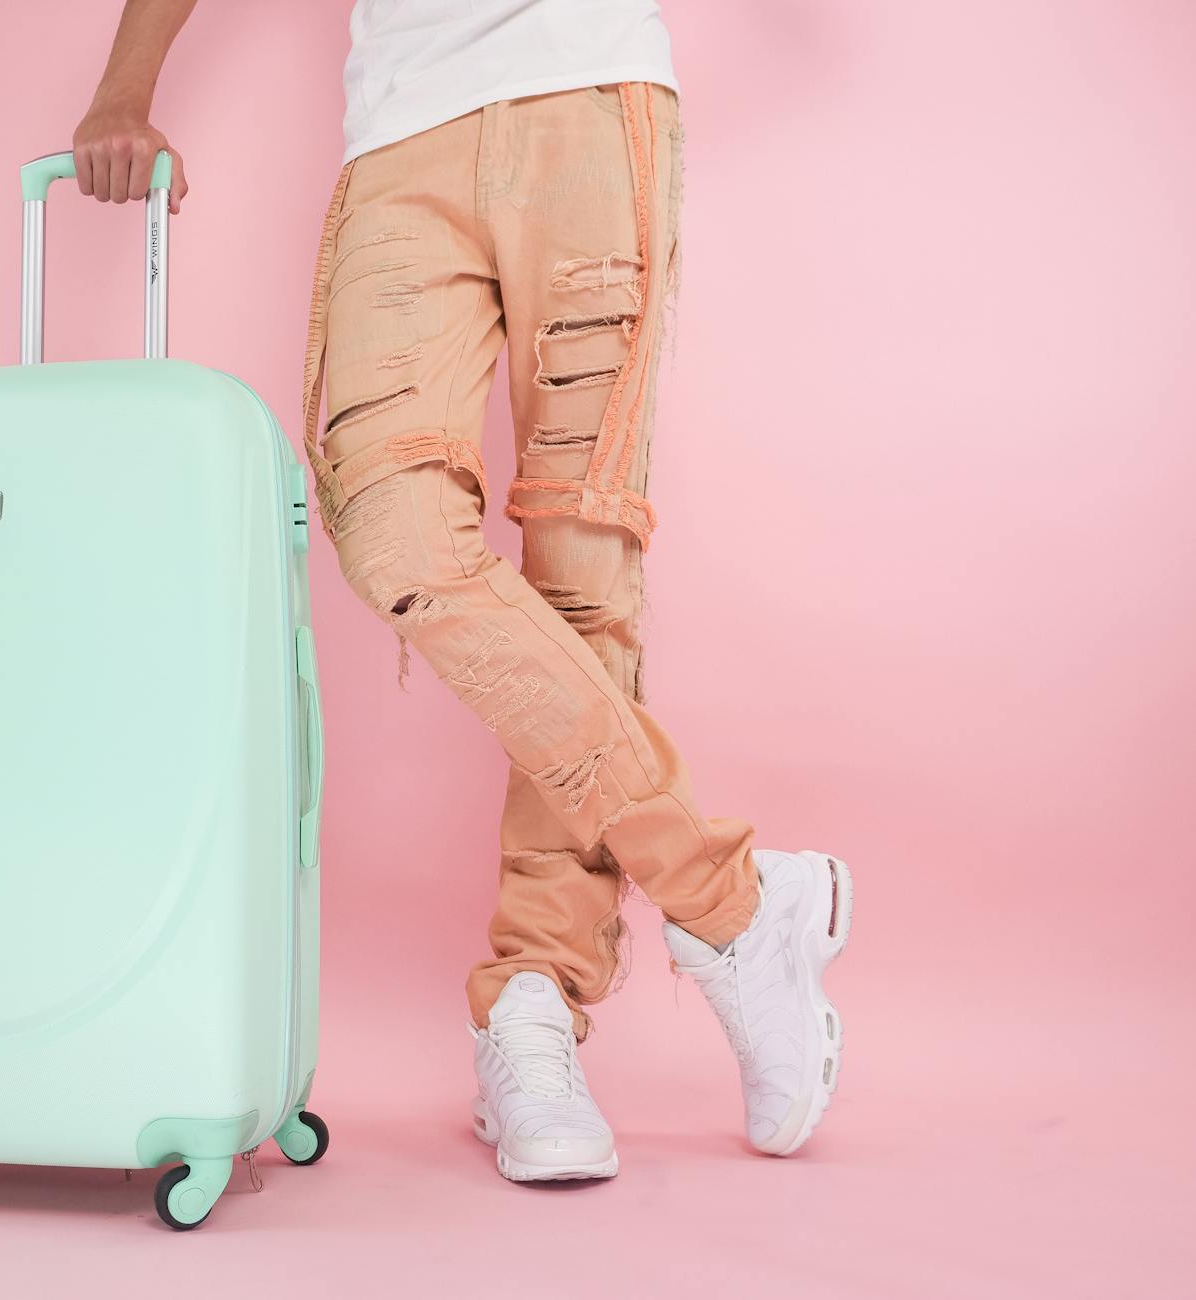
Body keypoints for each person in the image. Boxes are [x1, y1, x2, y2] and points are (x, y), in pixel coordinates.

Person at [72, 0, 851, 1181]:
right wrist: (123, 90)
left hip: (589, 94)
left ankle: (530, 1010)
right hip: (402, 128)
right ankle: (731, 903)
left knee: (583, 577)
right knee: (394, 534)